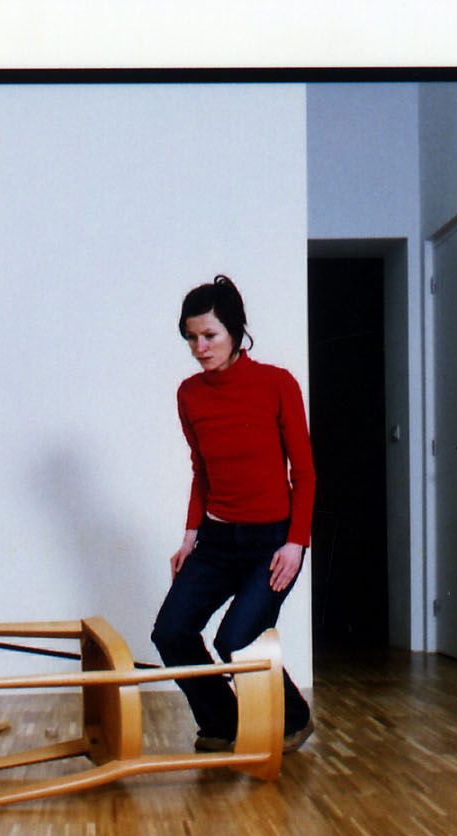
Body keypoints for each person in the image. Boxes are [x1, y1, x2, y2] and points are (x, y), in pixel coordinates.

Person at [151, 275, 316, 753]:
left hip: (273, 543)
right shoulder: (190, 395)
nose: (199, 348)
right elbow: (201, 471)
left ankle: (295, 718)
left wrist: (296, 543)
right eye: (191, 338)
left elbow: (305, 473)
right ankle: (223, 723)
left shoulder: (277, 383)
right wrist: (189, 537)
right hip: (217, 541)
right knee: (171, 632)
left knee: (236, 640)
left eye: (209, 335)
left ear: (236, 330)